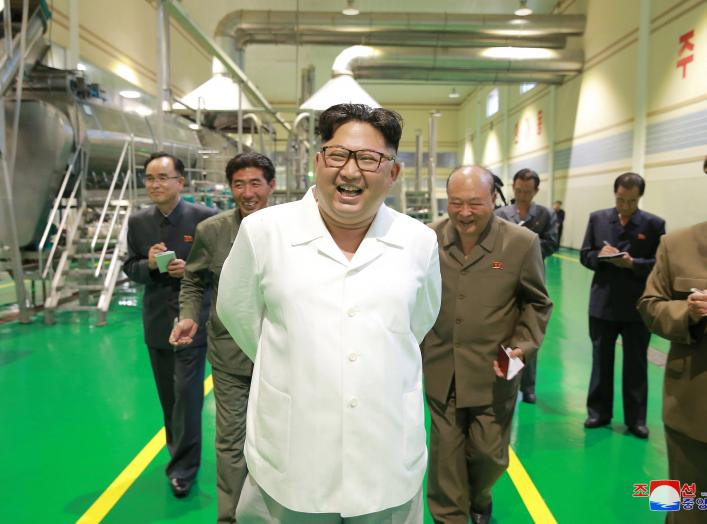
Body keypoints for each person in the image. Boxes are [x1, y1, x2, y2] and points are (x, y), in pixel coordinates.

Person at [217, 103, 442, 523]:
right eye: (337, 155)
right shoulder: (264, 232)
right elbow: (240, 316)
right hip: (290, 461)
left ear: (393, 173)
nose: (350, 172)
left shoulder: (419, 242)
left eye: (369, 159)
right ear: (318, 161)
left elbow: (417, 324)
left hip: (387, 460)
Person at [423, 165, 552, 524]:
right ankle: (451, 517)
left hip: (493, 370)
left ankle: (480, 498)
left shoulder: (520, 243)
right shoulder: (426, 239)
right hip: (441, 368)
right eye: (456, 203)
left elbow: (538, 303)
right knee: (445, 458)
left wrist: (522, 347)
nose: (464, 213)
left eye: (475, 204)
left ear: (493, 200)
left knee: (487, 455)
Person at [170, 152, 276, 522]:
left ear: (271, 186)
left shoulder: (291, 231)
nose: (247, 192)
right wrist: (188, 317)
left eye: (255, 183)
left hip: (282, 358)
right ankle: (230, 517)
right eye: (239, 184)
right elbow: (194, 280)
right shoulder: (212, 232)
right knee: (231, 442)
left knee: (280, 440)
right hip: (231, 358)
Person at [123, 152, 216, 497]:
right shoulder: (138, 222)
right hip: (158, 323)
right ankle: (179, 454)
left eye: (163, 177)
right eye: (150, 178)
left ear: (181, 181)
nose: (155, 184)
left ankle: (183, 469)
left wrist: (190, 270)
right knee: (169, 400)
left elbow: (221, 268)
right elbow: (129, 268)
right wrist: (148, 264)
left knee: (187, 395)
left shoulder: (205, 219)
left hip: (191, 321)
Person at [579, 172, 665, 439]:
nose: (625, 206)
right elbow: (585, 255)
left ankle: (636, 419)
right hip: (602, 306)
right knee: (600, 361)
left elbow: (659, 264)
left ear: (639, 197)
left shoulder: (653, 224)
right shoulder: (597, 219)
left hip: (637, 308)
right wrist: (600, 257)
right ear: (614, 194)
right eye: (620, 200)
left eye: (631, 201)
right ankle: (598, 413)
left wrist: (632, 264)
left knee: (636, 365)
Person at [637, 220, 707, 524]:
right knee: (688, 508)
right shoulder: (677, 244)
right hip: (692, 409)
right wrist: (687, 313)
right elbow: (650, 305)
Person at [494, 168, 558, 403]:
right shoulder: (500, 213)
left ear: (536, 190)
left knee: (528, 336)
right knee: (503, 333)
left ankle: (527, 387)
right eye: (519, 191)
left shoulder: (546, 214)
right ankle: (504, 376)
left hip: (533, 280)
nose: (522, 196)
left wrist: (526, 241)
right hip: (502, 279)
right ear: (513, 188)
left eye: (527, 192)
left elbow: (552, 244)